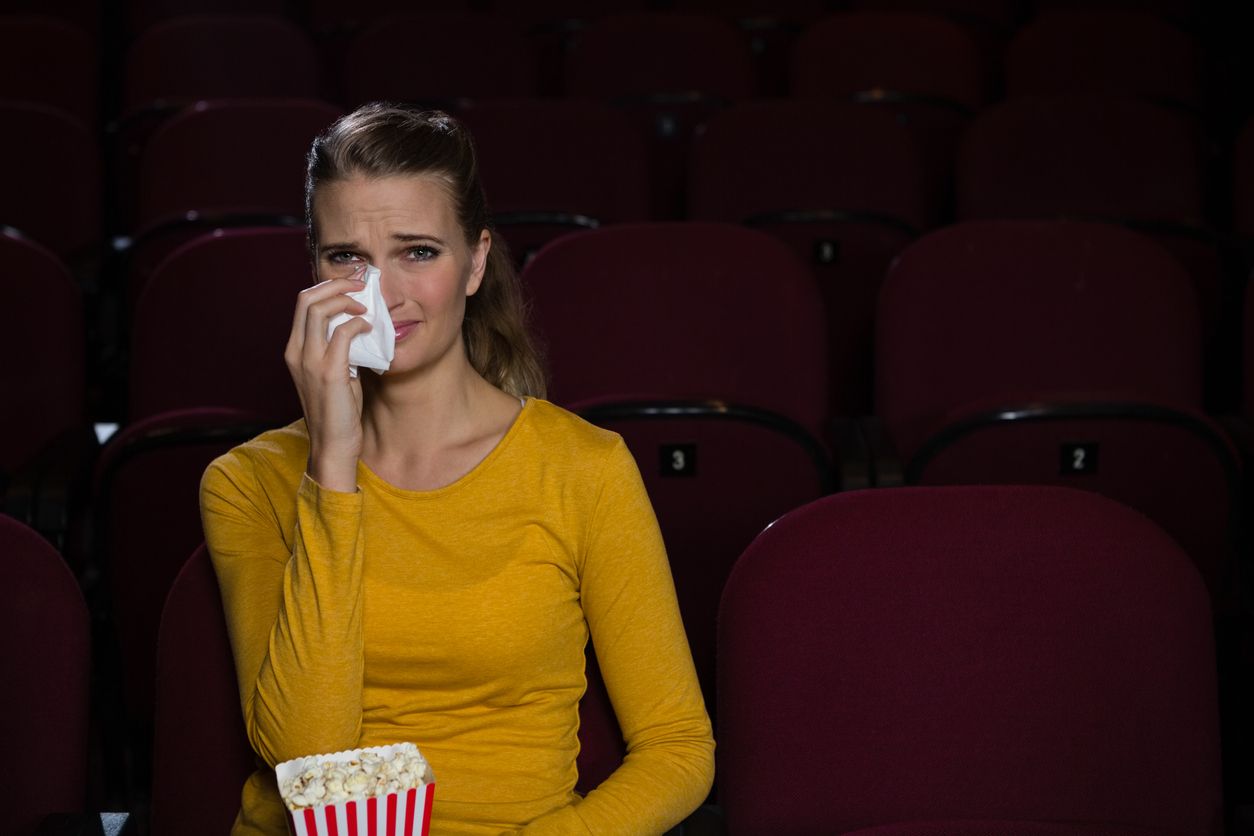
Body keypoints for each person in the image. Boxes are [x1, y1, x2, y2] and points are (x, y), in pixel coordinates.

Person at [199, 103, 714, 835]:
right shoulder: (247, 482)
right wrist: (333, 466)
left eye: (418, 252)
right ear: (314, 272)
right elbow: (306, 760)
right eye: (348, 257)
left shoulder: (583, 468)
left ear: (474, 263)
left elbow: (679, 748)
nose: (385, 296)